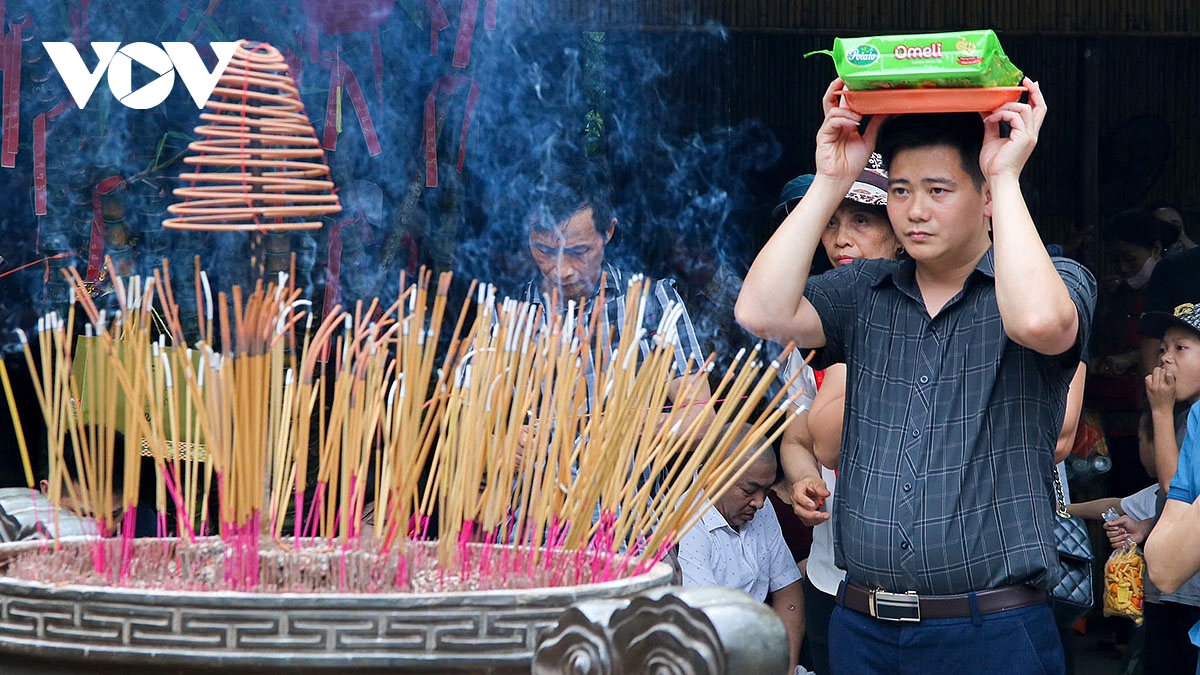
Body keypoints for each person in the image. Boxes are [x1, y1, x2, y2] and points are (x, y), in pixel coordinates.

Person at [734, 77, 1096, 674]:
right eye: (900, 191)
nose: (915, 210)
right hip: (863, 628)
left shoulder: (1052, 279)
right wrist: (831, 180)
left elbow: (1040, 322)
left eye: (938, 189)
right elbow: (760, 312)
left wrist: (1005, 175)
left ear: (983, 196)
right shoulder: (863, 291)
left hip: (993, 630)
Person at [775, 155, 897, 675]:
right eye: (830, 223)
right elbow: (804, 442)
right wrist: (803, 481)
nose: (841, 239)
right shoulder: (813, 322)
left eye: (861, 221)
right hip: (836, 578)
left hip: (933, 590)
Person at [1106, 302, 1200, 675]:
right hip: (1173, 589)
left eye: (1181, 348)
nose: (1166, 359)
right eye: (1163, 349)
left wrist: (1159, 412)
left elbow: (1175, 488)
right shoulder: (1189, 415)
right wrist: (1146, 528)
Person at [677, 429, 804, 675]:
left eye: (767, 491)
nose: (760, 502)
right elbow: (710, 621)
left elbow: (788, 590)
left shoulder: (760, 508)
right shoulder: (687, 522)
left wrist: (785, 667)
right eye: (749, 490)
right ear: (714, 475)